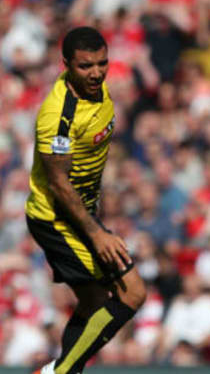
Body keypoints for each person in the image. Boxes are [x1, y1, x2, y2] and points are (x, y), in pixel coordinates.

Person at [25, 27, 147, 374]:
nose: (96, 73)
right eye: (85, 66)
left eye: (102, 63)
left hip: (80, 211)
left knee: (95, 302)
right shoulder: (58, 115)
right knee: (132, 292)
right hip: (56, 217)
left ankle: (62, 370)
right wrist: (97, 233)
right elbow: (59, 184)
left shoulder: (98, 88)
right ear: (66, 65)